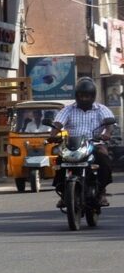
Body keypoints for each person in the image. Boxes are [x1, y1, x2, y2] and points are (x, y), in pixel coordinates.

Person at [47, 76, 115, 207]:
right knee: (59, 162)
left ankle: (101, 192)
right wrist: (53, 135)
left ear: (93, 96)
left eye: (87, 96)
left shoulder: (101, 109)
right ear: (77, 96)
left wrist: (107, 134)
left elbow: (109, 122)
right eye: (82, 96)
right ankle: (64, 193)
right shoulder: (68, 109)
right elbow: (58, 123)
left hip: (94, 143)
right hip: (72, 145)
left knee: (104, 159)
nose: (84, 98)